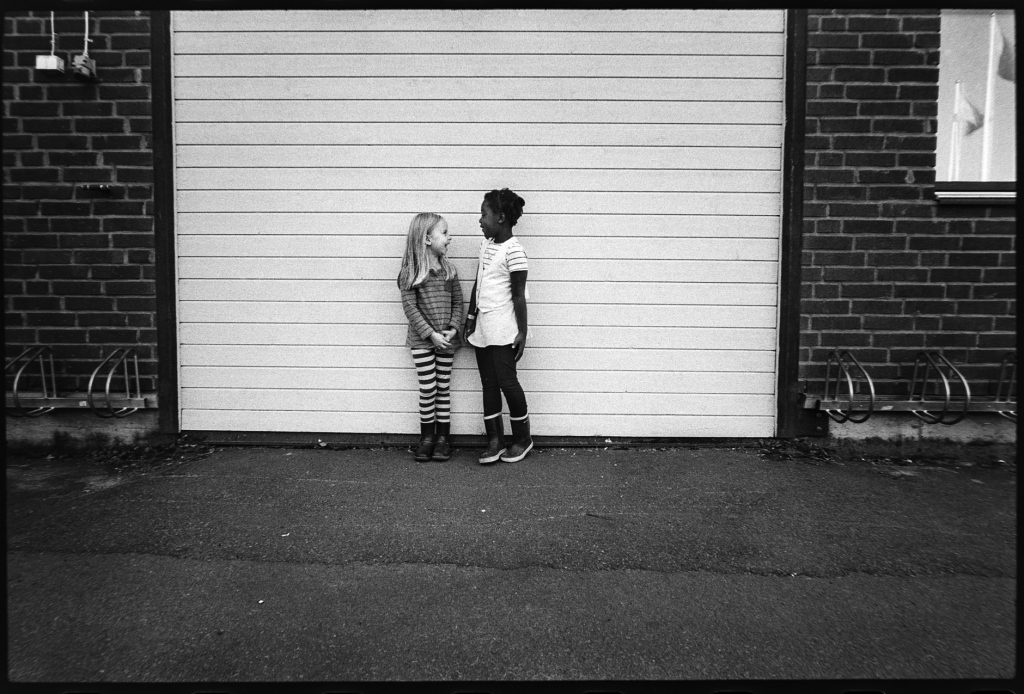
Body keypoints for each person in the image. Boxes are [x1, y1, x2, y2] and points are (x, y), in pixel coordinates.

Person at [464, 188, 534, 464]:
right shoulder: (485, 246)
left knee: (507, 382)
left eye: (484, 214)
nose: (480, 220)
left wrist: (523, 332)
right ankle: (495, 440)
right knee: (488, 383)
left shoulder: (514, 251)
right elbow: (478, 284)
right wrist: (470, 319)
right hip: (483, 327)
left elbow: (519, 295)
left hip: (504, 330)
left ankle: (523, 438)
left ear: (501, 217)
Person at [398, 212, 464, 462]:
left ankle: (443, 440)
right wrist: (430, 334)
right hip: (422, 341)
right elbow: (410, 309)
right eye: (444, 233)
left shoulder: (449, 270)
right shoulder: (411, 272)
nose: (449, 238)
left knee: (443, 389)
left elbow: (459, 302)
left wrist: (454, 328)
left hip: (447, 340)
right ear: (427, 238)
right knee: (428, 389)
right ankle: (426, 438)